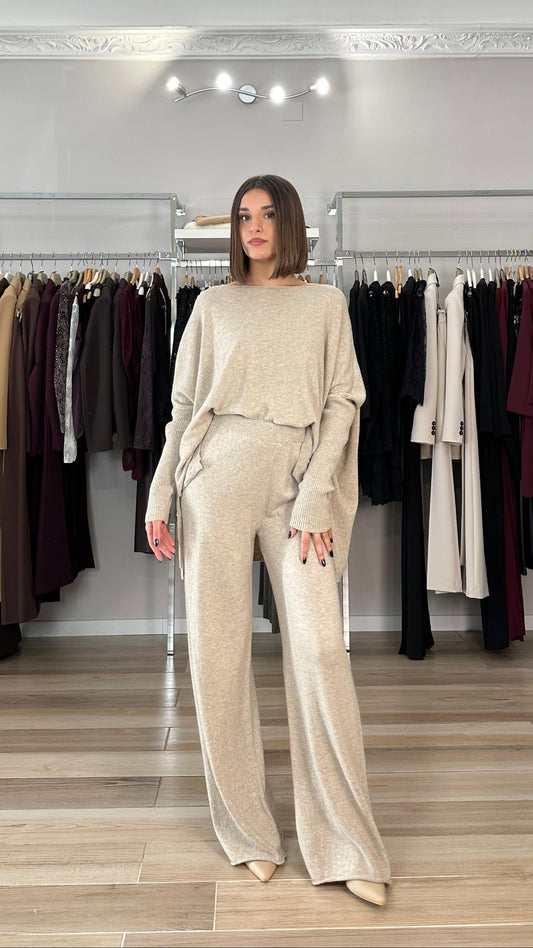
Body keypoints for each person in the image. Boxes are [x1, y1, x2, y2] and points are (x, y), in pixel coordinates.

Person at [145, 174, 391, 906]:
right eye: (244, 216)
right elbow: (182, 407)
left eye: (268, 214)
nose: (254, 226)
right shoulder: (212, 305)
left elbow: (343, 401)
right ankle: (249, 832)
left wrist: (316, 492)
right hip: (213, 479)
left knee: (319, 651)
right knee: (218, 655)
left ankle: (346, 843)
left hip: (296, 483)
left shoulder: (326, 304)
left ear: (290, 223)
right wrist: (160, 493)